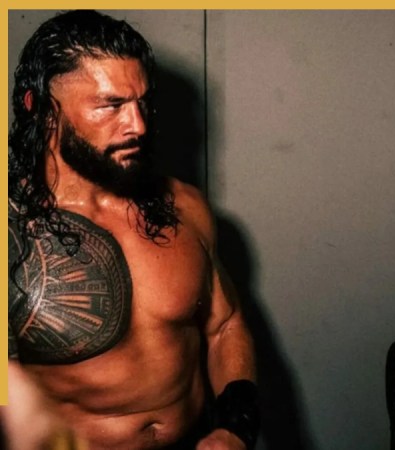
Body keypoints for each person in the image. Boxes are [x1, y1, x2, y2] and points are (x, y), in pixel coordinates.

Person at [8, 10, 259, 450]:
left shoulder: (183, 205)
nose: (138, 125)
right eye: (111, 106)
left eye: (142, 103)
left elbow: (224, 325)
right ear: (40, 108)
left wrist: (236, 429)